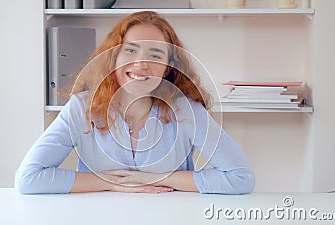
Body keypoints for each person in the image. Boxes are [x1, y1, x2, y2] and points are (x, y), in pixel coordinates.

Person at [15, 11, 255, 194]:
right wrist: (111, 183)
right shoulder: (82, 108)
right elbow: (28, 178)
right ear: (113, 57)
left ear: (168, 68)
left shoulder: (186, 111)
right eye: (130, 51)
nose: (141, 63)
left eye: (155, 55)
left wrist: (156, 179)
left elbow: (240, 177)